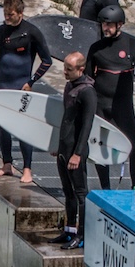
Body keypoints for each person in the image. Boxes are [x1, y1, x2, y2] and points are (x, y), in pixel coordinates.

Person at [0, 0, 51, 182]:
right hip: (0, 85)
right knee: (3, 128)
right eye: (5, 14)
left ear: (21, 13)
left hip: (21, 86)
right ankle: (6, 165)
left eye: (11, 14)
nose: (7, 18)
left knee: (23, 128)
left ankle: (27, 170)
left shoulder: (31, 32)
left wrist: (31, 82)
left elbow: (46, 61)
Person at [84, 4, 135, 190]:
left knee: (134, 146)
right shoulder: (96, 48)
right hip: (101, 106)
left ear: (120, 24)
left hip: (123, 107)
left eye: (109, 25)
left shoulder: (133, 45)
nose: (106, 28)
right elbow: (87, 79)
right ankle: (106, 188)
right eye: (103, 24)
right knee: (101, 146)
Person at [52, 51, 97, 249]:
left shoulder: (87, 91)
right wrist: (58, 145)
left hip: (76, 151)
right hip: (64, 148)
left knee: (80, 194)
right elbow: (66, 119)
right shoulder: (70, 85)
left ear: (81, 69)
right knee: (67, 191)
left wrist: (77, 154)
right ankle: (69, 230)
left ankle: (81, 235)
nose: (64, 72)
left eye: (69, 69)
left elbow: (87, 126)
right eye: (64, 68)